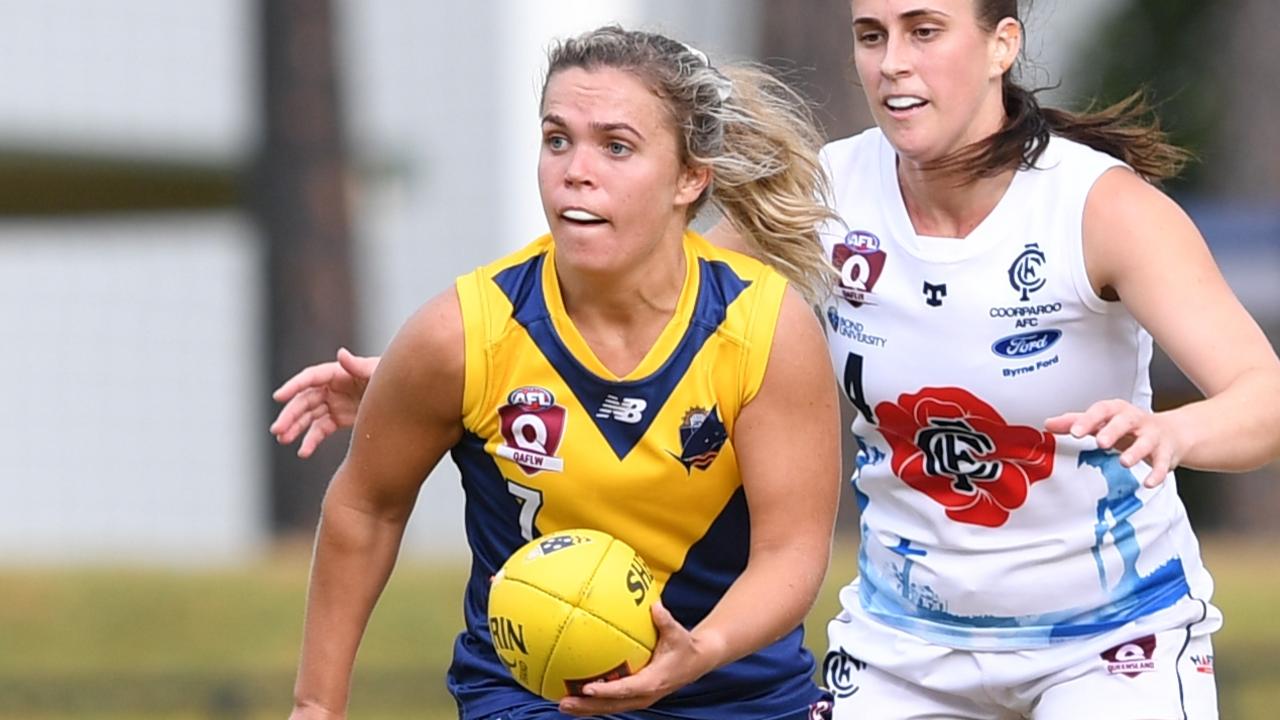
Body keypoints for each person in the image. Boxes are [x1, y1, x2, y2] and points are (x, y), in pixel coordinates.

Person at [275, 3, 1280, 719]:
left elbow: (1262, 399)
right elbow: (669, 310)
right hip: (903, 645)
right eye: (870, 33)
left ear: (999, 44)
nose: (891, 63)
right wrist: (432, 384)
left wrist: (1171, 429)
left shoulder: (1096, 209)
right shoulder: (828, 194)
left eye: (923, 30)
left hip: (1105, 636)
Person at [280, 26, 843, 720]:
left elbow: (790, 556)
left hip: (735, 694)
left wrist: (700, 649)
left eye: (616, 146)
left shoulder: (766, 328)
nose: (576, 169)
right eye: (557, 139)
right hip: (530, 700)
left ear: (691, 177)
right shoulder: (461, 335)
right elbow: (366, 507)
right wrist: (315, 707)